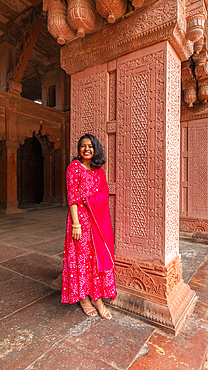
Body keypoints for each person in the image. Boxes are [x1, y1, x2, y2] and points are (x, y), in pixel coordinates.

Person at [61, 134, 116, 319]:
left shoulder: (97, 170)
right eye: (83, 146)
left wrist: (92, 201)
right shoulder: (74, 168)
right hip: (80, 221)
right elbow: (72, 198)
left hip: (96, 222)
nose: (87, 149)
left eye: (90, 146)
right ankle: (83, 298)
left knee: (94, 260)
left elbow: (104, 193)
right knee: (81, 258)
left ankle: (97, 298)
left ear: (95, 149)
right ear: (79, 149)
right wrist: (76, 224)